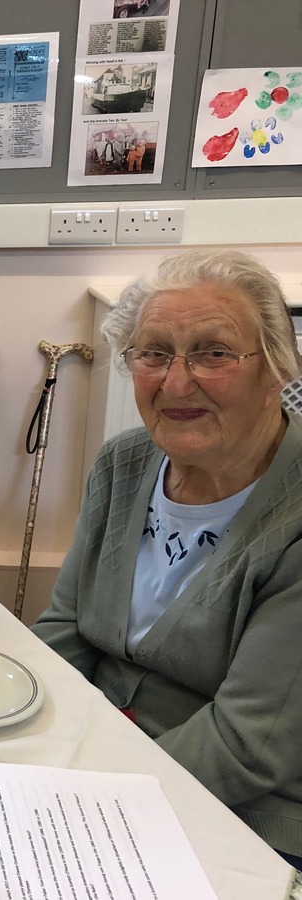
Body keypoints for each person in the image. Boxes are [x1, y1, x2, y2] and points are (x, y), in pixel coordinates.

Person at [32, 250, 302, 863]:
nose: (176, 383)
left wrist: (83, 804)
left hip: (239, 815)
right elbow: (66, 630)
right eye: (153, 353)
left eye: (214, 353)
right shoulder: (124, 463)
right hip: (95, 760)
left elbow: (245, 748)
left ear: (277, 369)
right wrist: (16, 728)